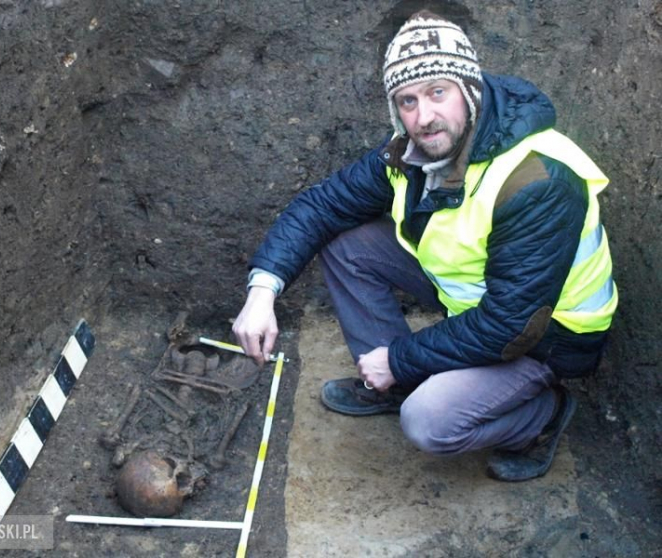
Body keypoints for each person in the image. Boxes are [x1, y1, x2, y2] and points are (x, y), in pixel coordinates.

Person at [232, 10, 617, 481]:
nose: (424, 116)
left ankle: (542, 415)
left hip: (546, 337)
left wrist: (399, 359)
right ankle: (393, 385)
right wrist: (262, 291)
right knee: (347, 243)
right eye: (408, 100)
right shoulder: (413, 152)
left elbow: (511, 327)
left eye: (438, 92)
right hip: (475, 296)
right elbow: (322, 205)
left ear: (468, 88)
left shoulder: (535, 178)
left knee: (429, 422)